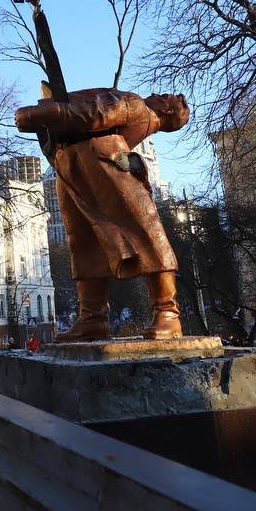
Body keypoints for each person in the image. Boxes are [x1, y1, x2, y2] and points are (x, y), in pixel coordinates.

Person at [15, 88, 189, 342]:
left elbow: (96, 114)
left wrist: (38, 114)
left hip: (102, 161)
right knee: (84, 243)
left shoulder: (136, 105)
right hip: (73, 165)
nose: (157, 93)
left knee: (147, 233)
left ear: (169, 109)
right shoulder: (139, 110)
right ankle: (92, 319)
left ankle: (167, 313)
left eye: (167, 96)